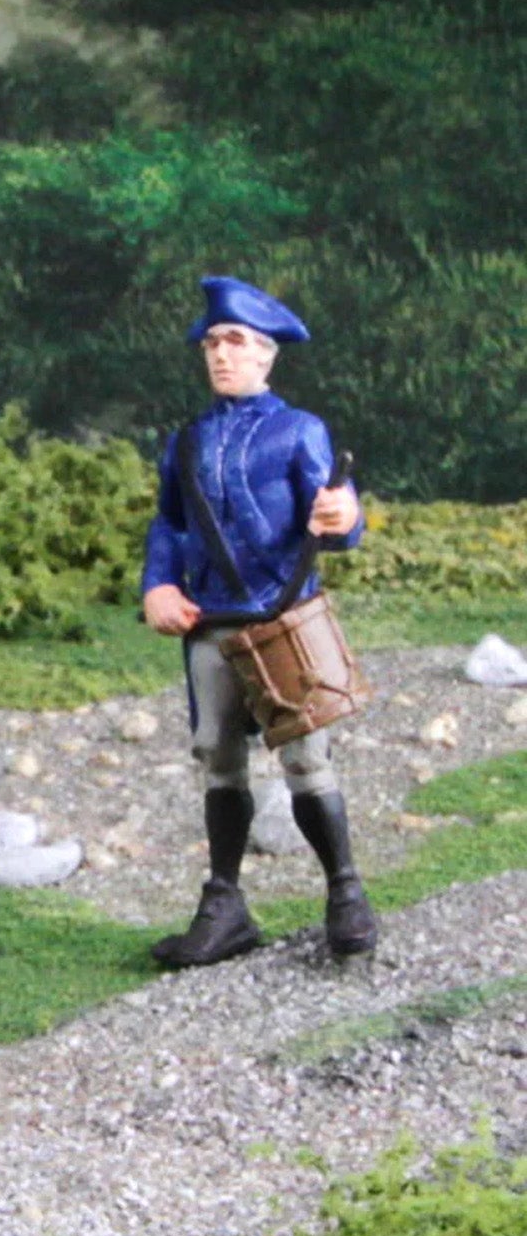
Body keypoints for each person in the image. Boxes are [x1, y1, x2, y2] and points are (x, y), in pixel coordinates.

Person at [141, 275, 375, 965]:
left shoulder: (299, 431)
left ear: (266, 354)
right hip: (210, 621)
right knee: (217, 758)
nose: (221, 354)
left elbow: (337, 512)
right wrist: (159, 585)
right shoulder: (187, 441)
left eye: (236, 341)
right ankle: (224, 904)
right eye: (212, 342)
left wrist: (344, 515)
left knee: (306, 757)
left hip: (284, 621)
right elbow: (169, 523)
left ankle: (346, 892)